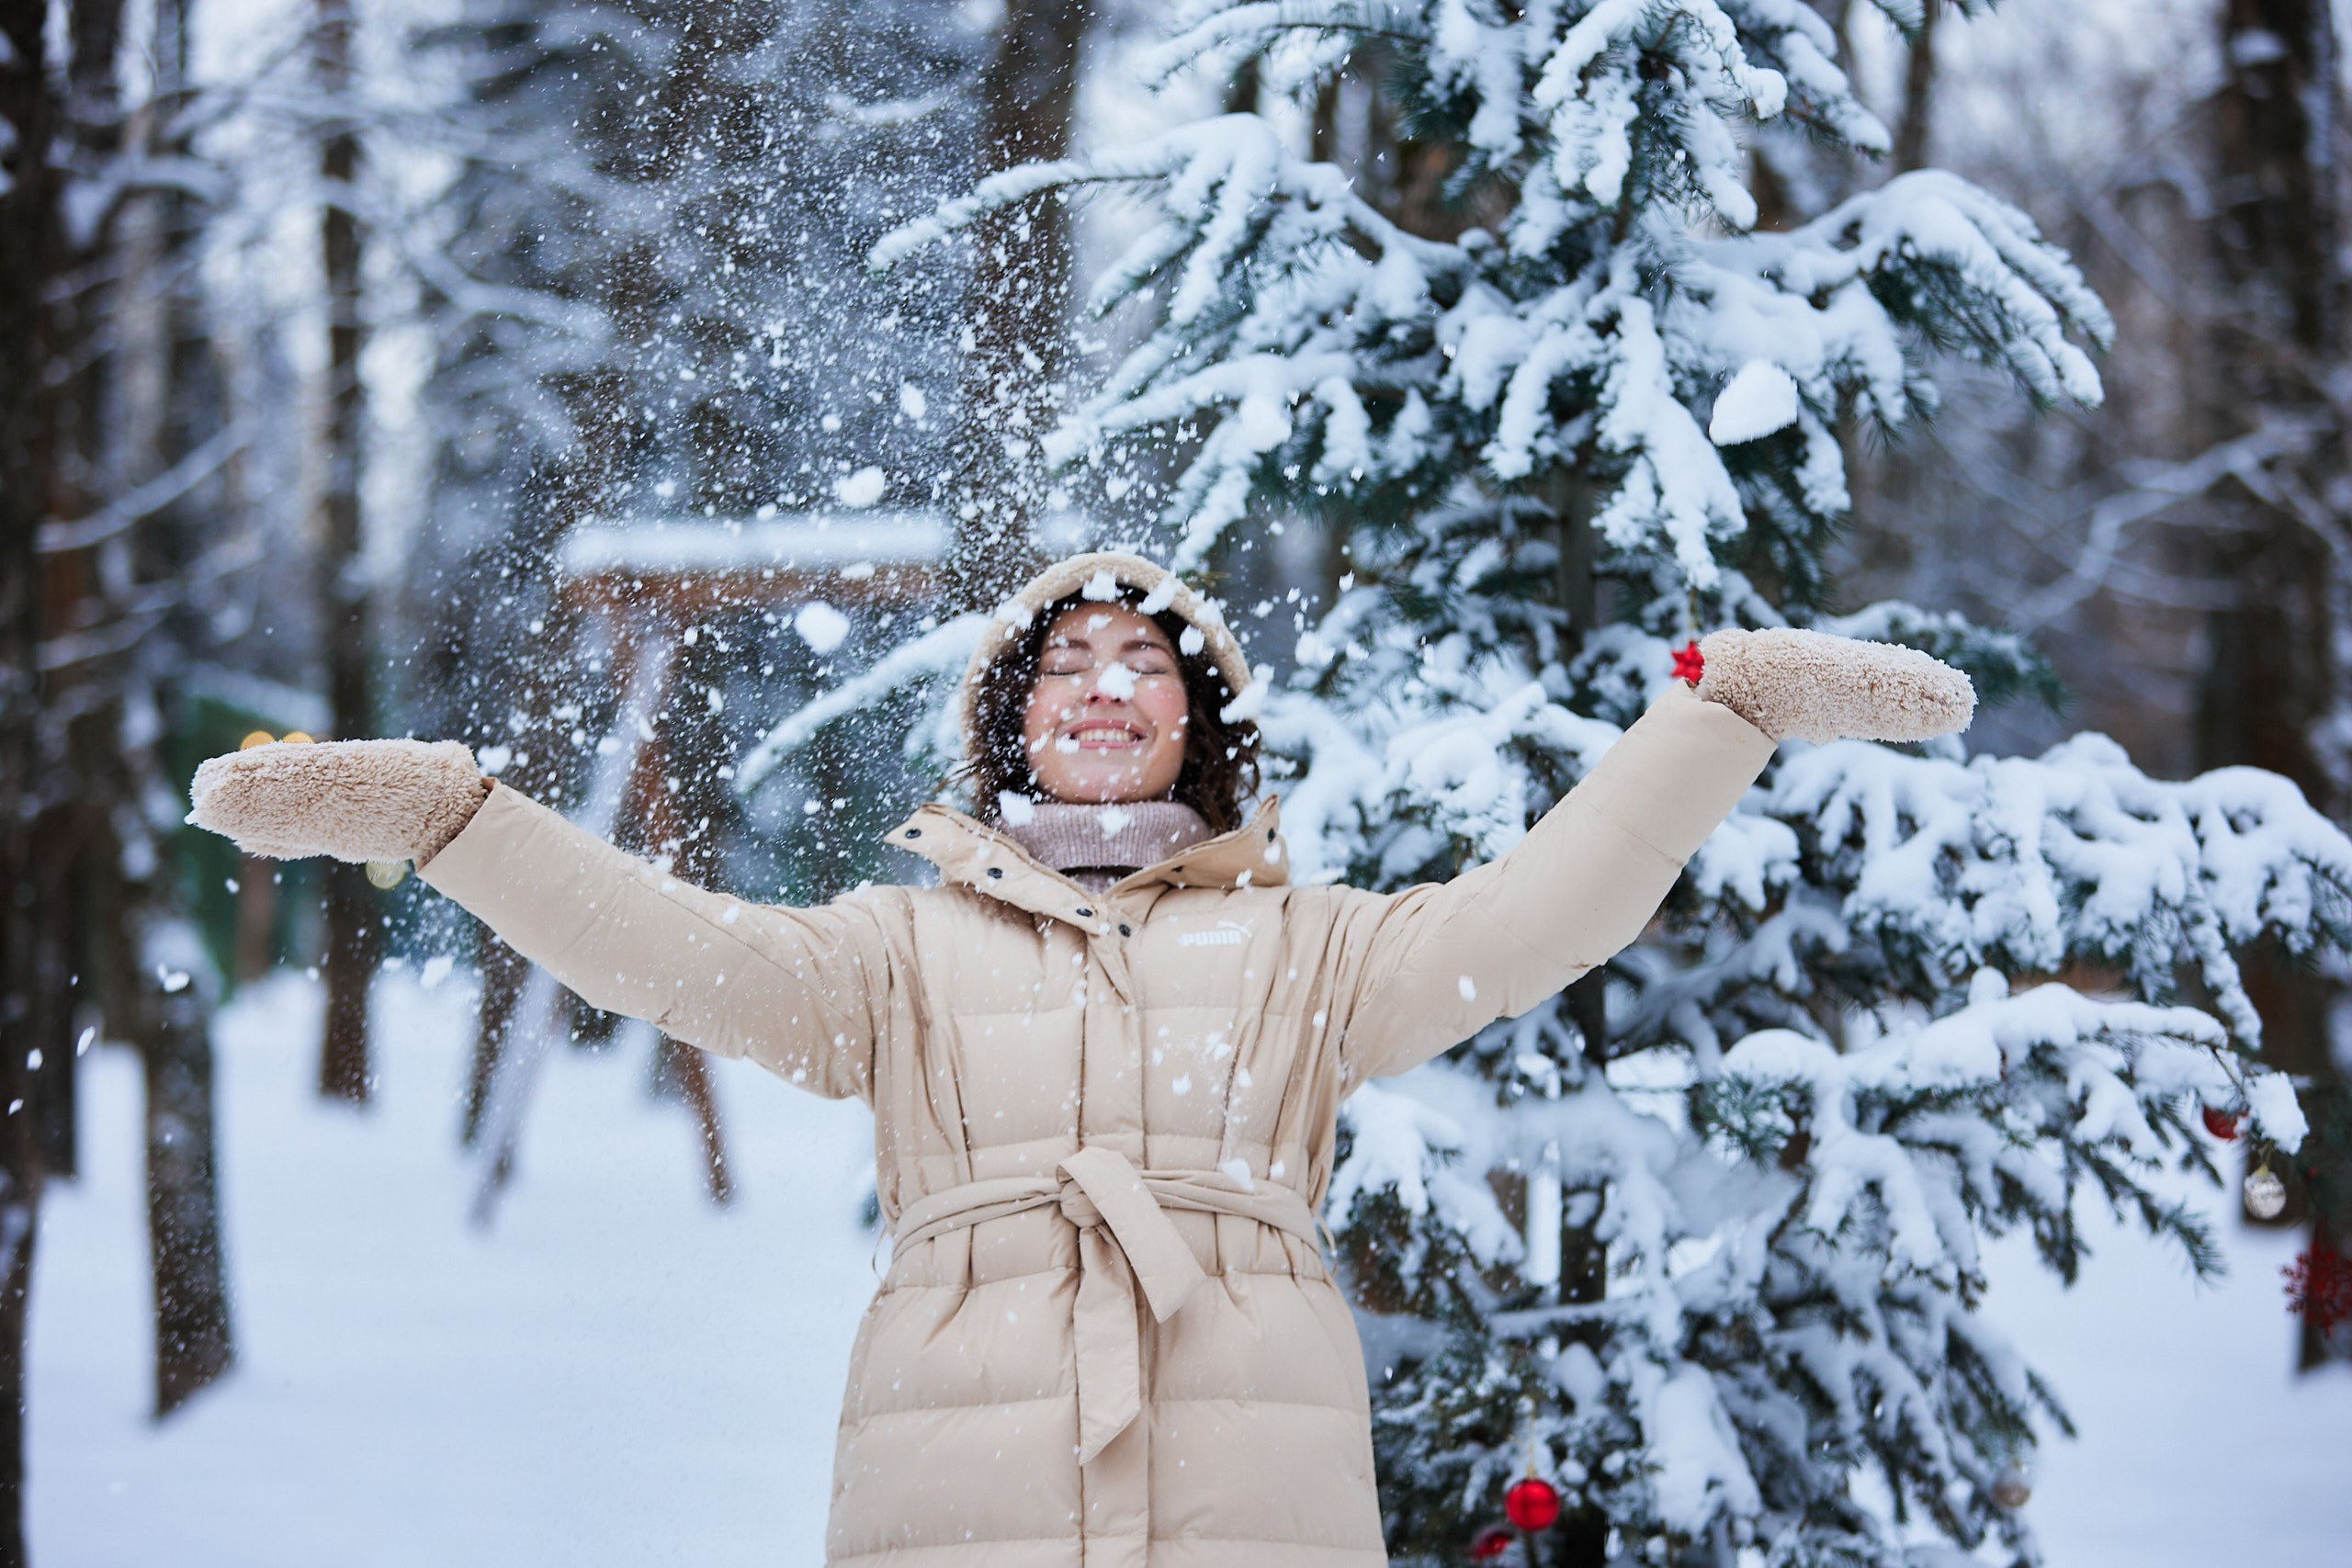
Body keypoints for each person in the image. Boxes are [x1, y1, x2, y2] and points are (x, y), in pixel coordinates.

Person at [187, 550, 1973, 1567]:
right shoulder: (890, 954)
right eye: (1065, 665)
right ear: (1011, 723)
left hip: (1249, 1472)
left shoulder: (1315, 945)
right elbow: (664, 948)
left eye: (1146, 664)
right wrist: (457, 820)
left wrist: (1714, 719)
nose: (1105, 686)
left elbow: (1546, 910)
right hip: (951, 1480)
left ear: (1195, 723)